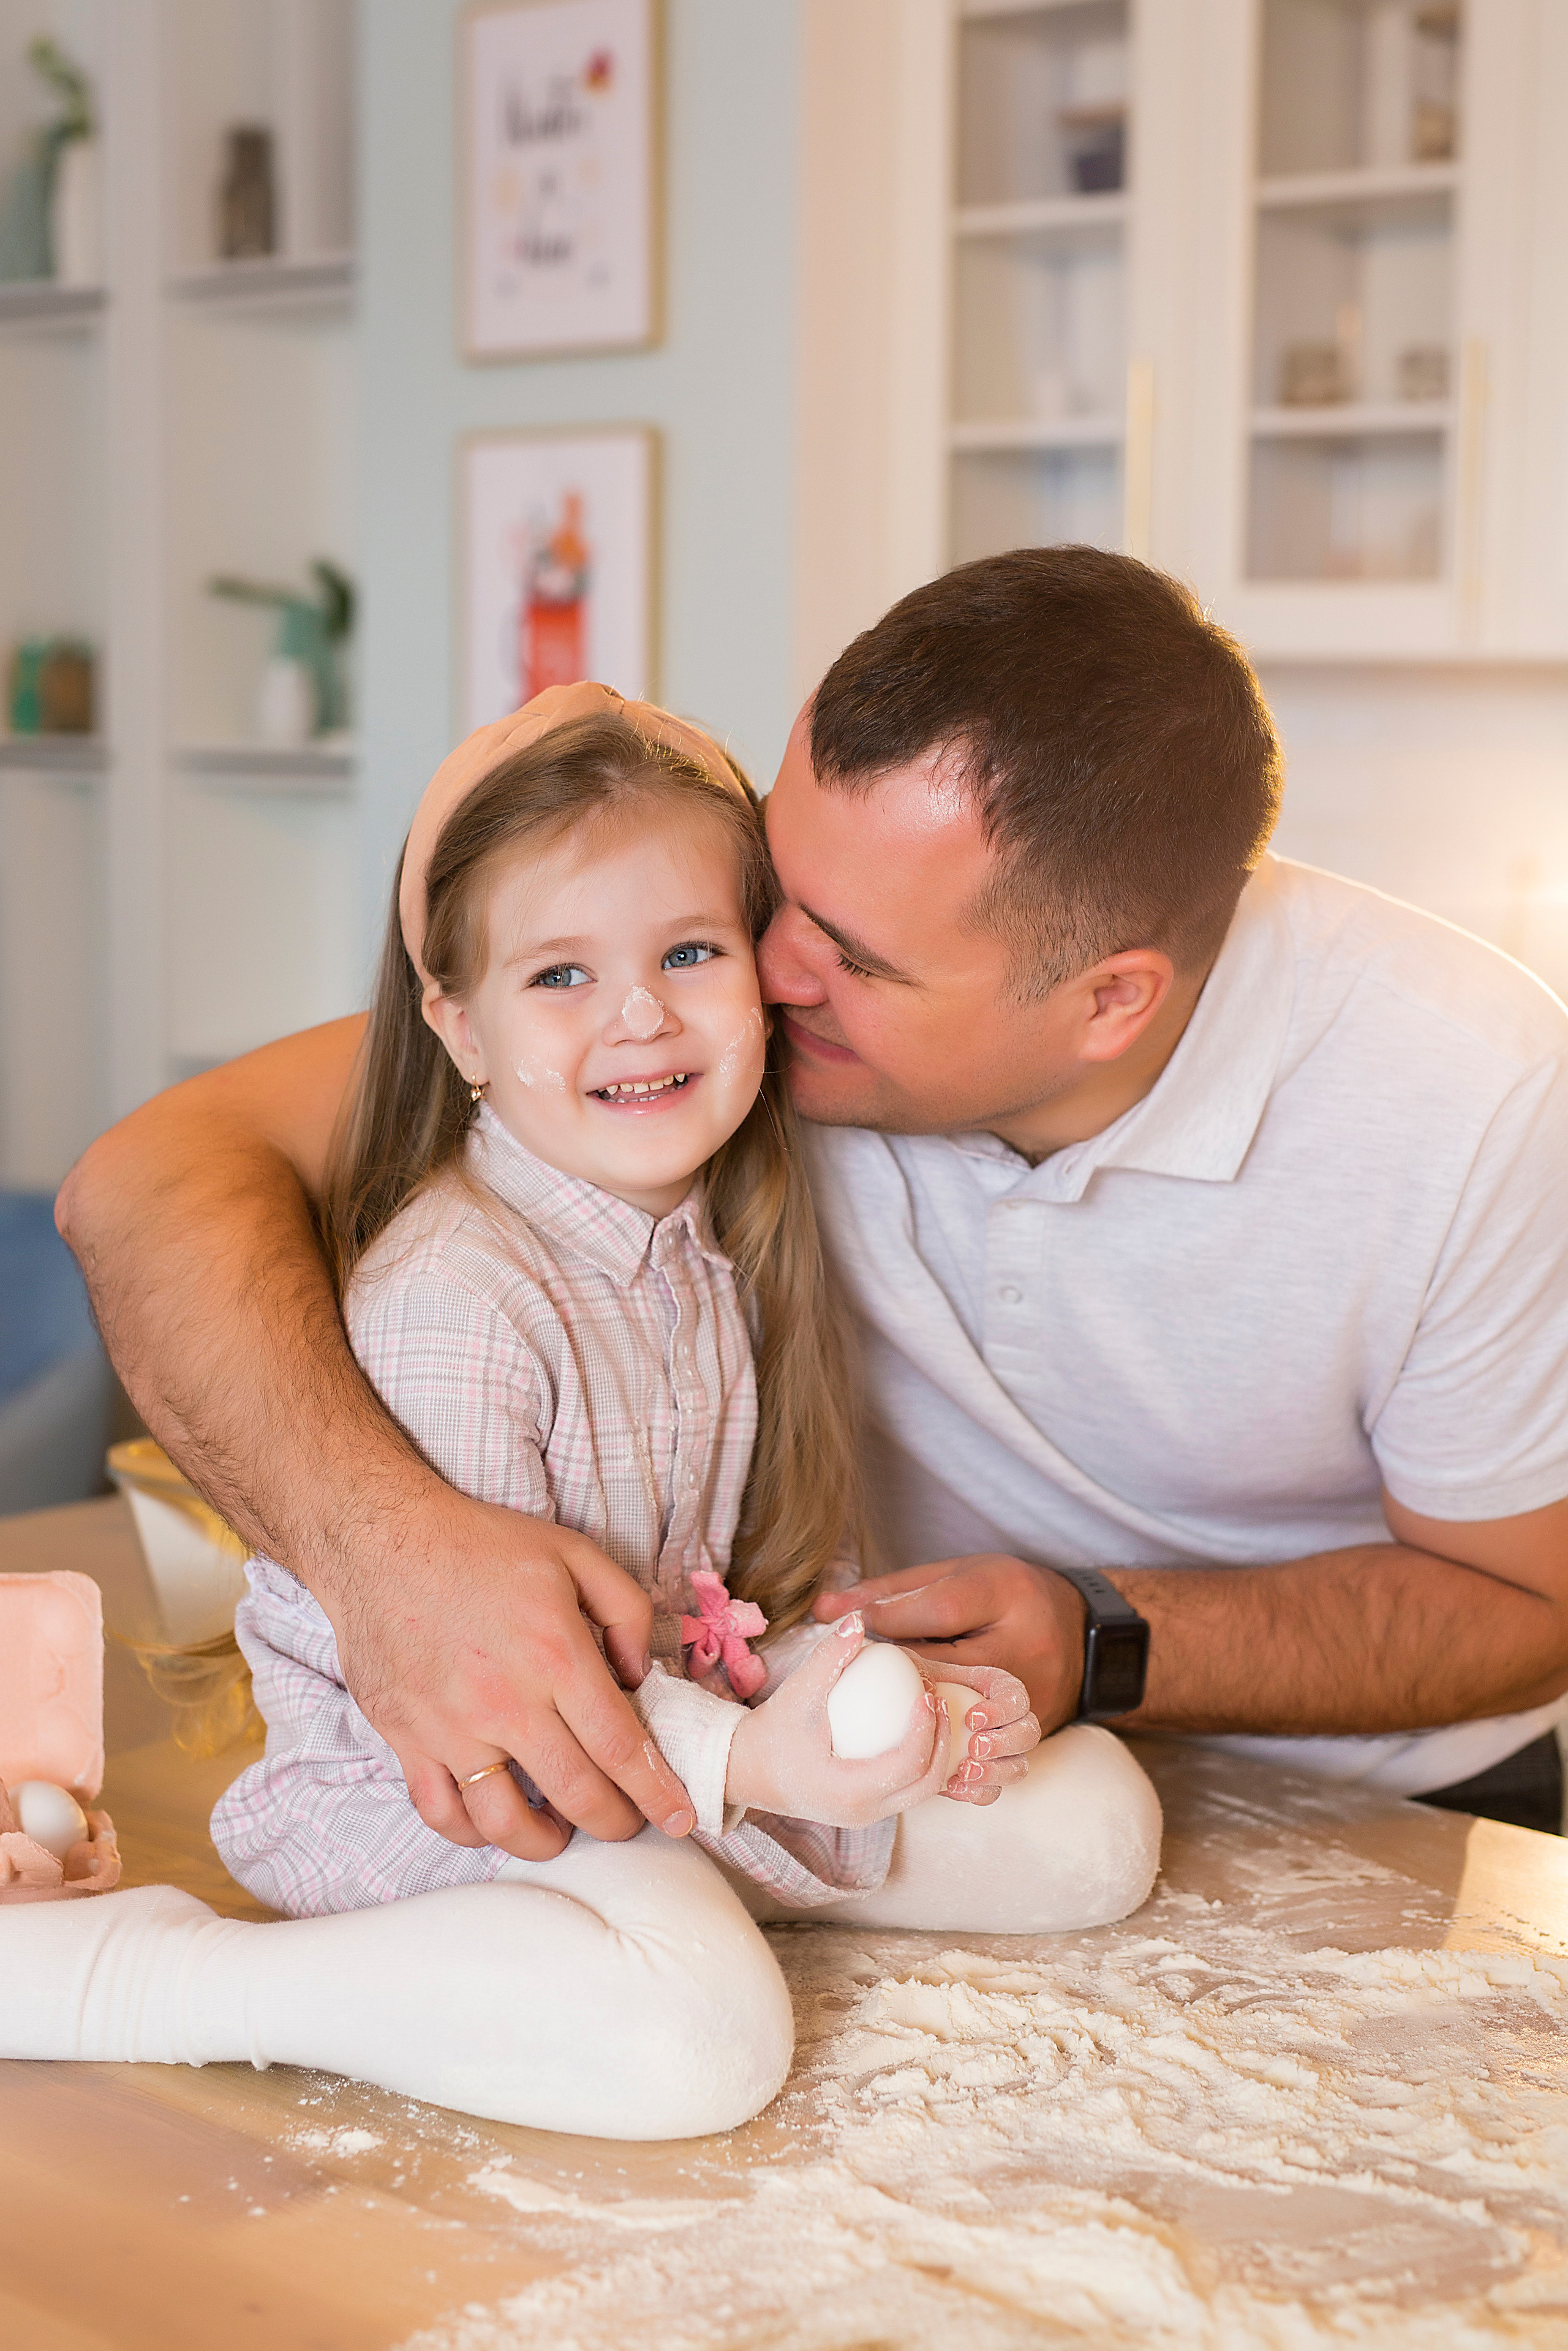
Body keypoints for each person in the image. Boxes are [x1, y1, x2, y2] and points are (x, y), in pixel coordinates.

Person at [56, 549, 1568, 1841]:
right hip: (849, 1772)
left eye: (853, 956)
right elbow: (145, 1184)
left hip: (1386, 1807)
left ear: (1110, 1001)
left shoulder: (1471, 1099)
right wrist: (388, 1560)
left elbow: (1523, 1603)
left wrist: (1102, 1634)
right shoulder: (699, 1024)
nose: (757, 977)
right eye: (773, 890)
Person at [4, 699, 1157, 2140]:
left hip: (651, 1752)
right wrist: (754, 1764)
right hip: (442, 1787)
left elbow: (706, 1605)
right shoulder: (458, 1295)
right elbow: (476, 1697)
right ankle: (157, 1974)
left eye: (688, 952)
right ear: (458, 1027)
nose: (639, 1015)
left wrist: (881, 1711)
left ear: (763, 983)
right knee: (695, 2036)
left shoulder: (705, 1256)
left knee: (1094, 1822)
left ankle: (658, 1910)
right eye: (561, 974)